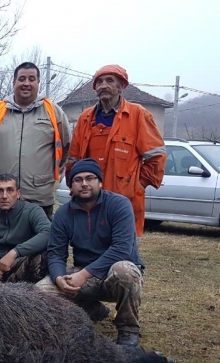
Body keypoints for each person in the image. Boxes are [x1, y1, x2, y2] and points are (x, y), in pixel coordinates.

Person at [36, 159, 145, 347]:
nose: (84, 183)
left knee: (126, 271)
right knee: (39, 292)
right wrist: (59, 277)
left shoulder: (119, 204)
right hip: (83, 274)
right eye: (78, 180)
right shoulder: (63, 214)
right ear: (71, 186)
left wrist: (84, 275)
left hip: (114, 272)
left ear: (100, 182)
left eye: (90, 178)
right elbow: (56, 253)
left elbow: (122, 249)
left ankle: (128, 330)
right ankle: (90, 308)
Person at [68, 64, 166, 239]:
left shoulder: (138, 115)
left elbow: (156, 156)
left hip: (124, 203)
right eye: (99, 82)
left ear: (121, 86)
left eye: (110, 81)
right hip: (89, 202)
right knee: (87, 249)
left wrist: (138, 185)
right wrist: (75, 185)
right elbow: (73, 160)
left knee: (123, 251)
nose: (103, 85)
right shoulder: (85, 118)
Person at [0, 62, 71, 219]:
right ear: (14, 83)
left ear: (38, 83)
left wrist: (55, 174)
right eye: (22, 79)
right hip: (1, 197)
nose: (26, 83)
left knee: (40, 235)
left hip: (39, 198)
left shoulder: (53, 112)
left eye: (32, 79)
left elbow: (67, 147)